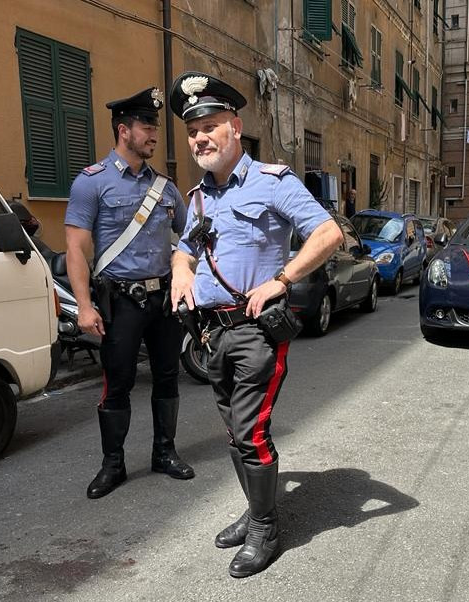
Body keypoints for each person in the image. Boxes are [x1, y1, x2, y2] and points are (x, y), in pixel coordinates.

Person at [168, 71, 343, 578]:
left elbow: (328, 234)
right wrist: (182, 273)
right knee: (233, 432)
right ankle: (254, 511)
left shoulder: (272, 182)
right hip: (211, 333)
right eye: (192, 131)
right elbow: (185, 251)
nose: (200, 138)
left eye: (210, 125)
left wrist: (282, 279)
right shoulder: (197, 197)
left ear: (235, 127)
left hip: (255, 332)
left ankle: (266, 528)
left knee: (252, 432)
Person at [65, 86, 195, 500]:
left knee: (168, 377)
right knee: (118, 382)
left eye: (156, 125)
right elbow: (75, 249)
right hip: (120, 301)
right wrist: (84, 306)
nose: (154, 133)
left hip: (164, 301)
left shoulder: (165, 186)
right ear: (123, 130)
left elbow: (190, 238)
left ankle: (164, 453)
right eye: (146, 125)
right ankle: (113, 464)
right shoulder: (92, 184)